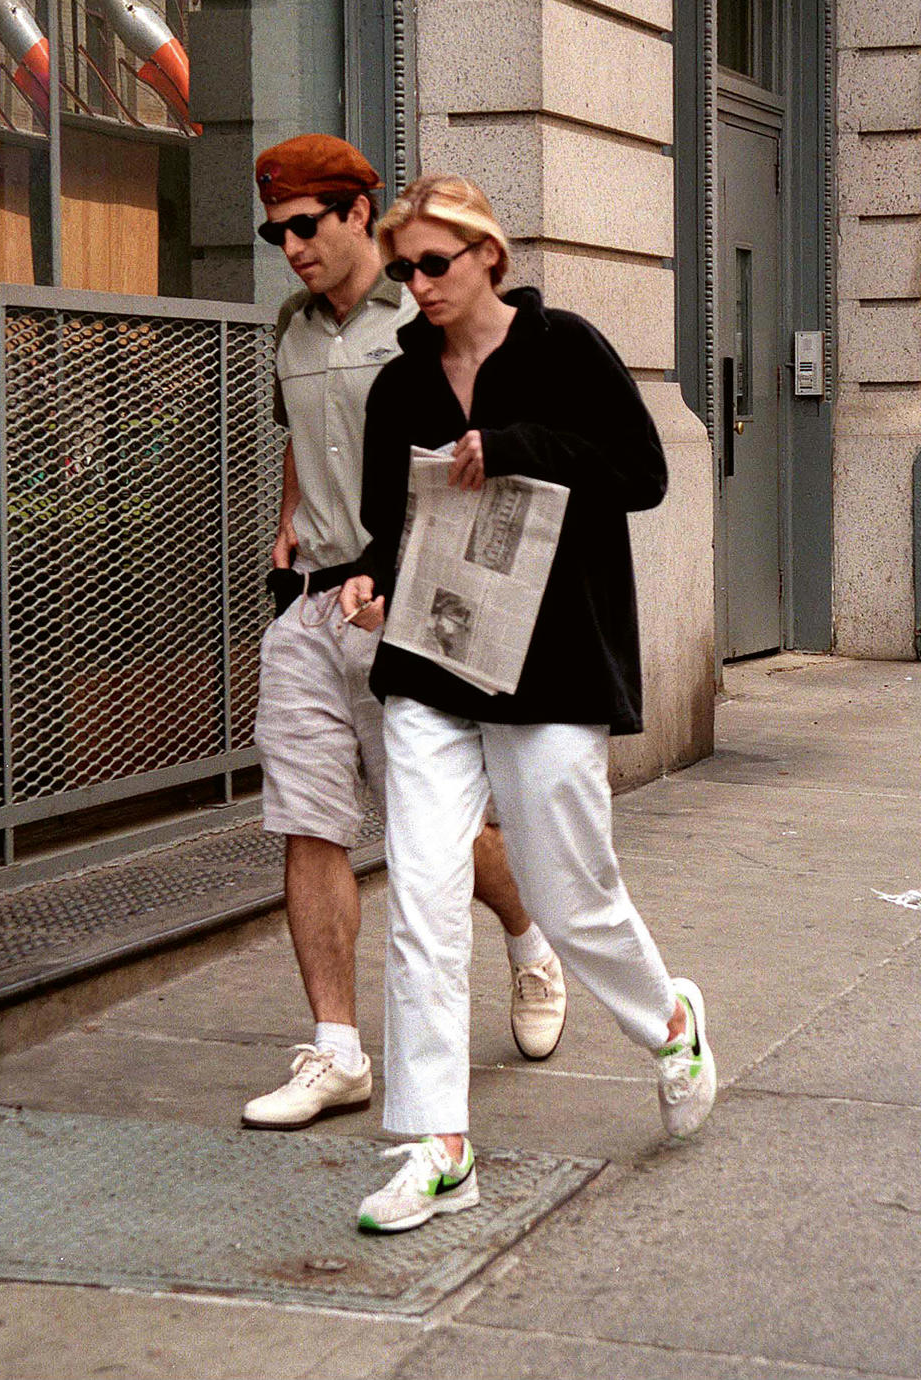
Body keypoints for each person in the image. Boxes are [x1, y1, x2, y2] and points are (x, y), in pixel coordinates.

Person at [340, 174, 716, 1232]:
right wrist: (368, 579)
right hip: (429, 666)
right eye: (403, 267)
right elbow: (386, 525)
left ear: (487, 258)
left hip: (550, 666)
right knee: (418, 895)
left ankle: (671, 1018)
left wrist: (518, 447)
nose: (415, 285)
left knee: (568, 894)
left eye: (434, 264)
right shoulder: (397, 388)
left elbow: (644, 475)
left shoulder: (567, 350)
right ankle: (437, 1143)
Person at [243, 139, 567, 1132]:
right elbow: (307, 442)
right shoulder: (291, 331)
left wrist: (418, 590)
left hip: (411, 609)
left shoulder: (423, 316)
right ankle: (337, 1049)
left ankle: (529, 935)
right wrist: (290, 523)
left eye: (307, 225)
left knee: (448, 836)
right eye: (275, 230)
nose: (290, 246)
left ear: (356, 214)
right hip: (309, 604)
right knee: (309, 820)